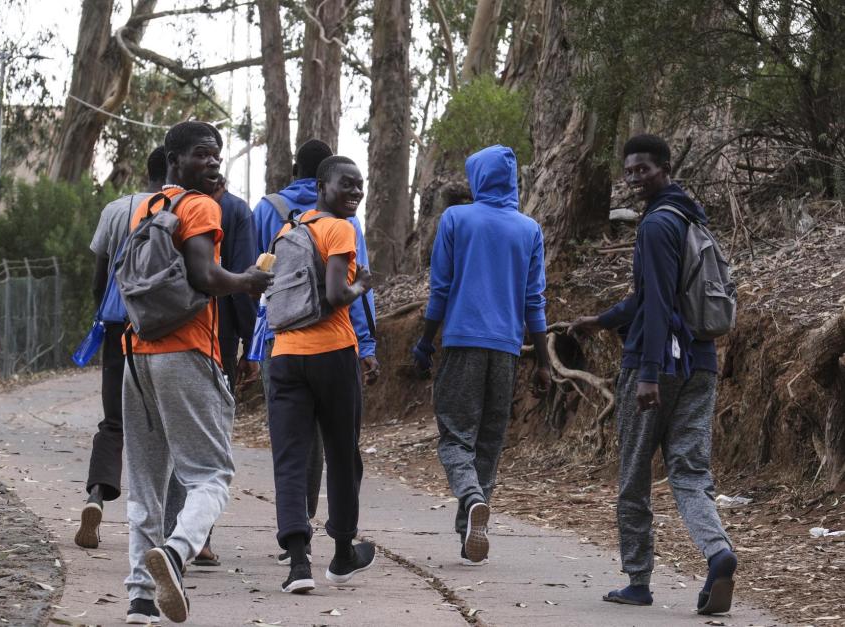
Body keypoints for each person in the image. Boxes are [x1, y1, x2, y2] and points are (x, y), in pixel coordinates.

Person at [569, 134, 737, 615]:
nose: (634, 177)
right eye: (629, 171)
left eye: (643, 169)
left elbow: (659, 303)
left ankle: (638, 580)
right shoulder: (690, 218)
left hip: (656, 366)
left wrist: (646, 372)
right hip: (701, 362)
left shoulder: (656, 226)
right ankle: (718, 553)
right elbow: (650, 297)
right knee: (690, 471)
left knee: (634, 474)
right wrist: (602, 320)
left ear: (664, 167)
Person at [120, 121, 273, 624]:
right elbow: (206, 276)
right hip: (187, 353)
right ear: (175, 159)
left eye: (217, 155)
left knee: (146, 483)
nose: (213, 163)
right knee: (212, 475)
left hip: (137, 355)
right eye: (203, 155)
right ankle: (179, 550)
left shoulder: (144, 207)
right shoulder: (200, 207)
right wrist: (249, 281)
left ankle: (140, 600)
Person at [411, 144, 551, 565]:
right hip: (506, 352)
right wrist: (543, 361)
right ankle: (472, 525)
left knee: (456, 436)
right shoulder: (529, 229)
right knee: (489, 440)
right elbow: (534, 301)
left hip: (462, 344)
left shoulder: (457, 219)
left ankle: (472, 498)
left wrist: (424, 342)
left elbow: (441, 289)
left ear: (478, 178)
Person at [252, 139, 379, 565]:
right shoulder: (340, 228)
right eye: (347, 185)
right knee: (343, 455)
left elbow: (265, 288)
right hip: (332, 354)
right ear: (321, 185)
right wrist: (363, 285)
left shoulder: (287, 228)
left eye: (360, 186)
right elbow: (337, 293)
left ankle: (297, 559)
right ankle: (343, 554)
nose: (355, 192)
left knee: (289, 458)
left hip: (284, 353)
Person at [162, 170, 260, 567]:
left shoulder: (155, 205)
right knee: (208, 447)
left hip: (157, 333)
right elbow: (240, 279)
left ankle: (167, 532)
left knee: (172, 441)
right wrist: (250, 346)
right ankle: (192, 539)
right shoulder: (233, 210)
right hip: (212, 336)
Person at [75, 146, 166, 552]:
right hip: (165, 330)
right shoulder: (183, 209)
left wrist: (104, 313)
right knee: (162, 427)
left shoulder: (115, 209)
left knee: (115, 420)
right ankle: (163, 527)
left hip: (118, 327)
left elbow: (99, 277)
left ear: (147, 170)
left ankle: (96, 495)